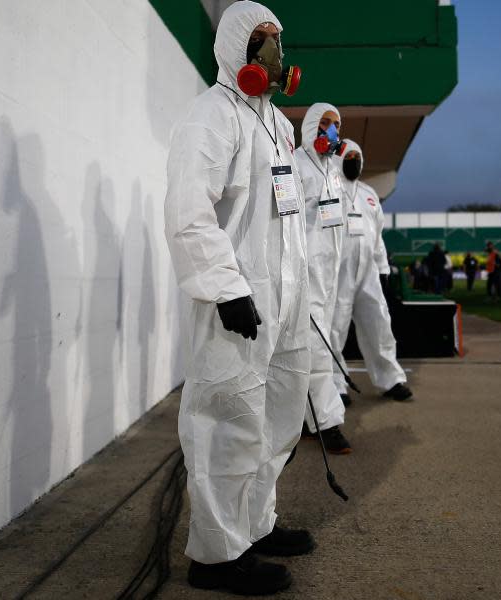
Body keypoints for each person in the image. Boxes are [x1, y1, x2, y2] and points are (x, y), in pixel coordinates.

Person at [164, 2, 312, 594]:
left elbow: (287, 217)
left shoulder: (278, 124)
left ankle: (254, 523)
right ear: (235, 48)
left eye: (277, 40)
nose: (274, 53)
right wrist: (226, 289)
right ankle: (216, 555)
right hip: (238, 300)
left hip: (286, 302)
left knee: (276, 415)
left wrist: (302, 293)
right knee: (227, 418)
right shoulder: (211, 116)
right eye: (262, 40)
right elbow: (188, 212)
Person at [330, 139, 414, 404]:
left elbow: (377, 236)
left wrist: (382, 268)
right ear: (337, 158)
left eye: (357, 156)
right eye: (348, 156)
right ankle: (334, 386)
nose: (354, 160)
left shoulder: (369, 194)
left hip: (367, 272)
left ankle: (391, 379)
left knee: (379, 323)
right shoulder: (327, 188)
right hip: (336, 271)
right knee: (334, 328)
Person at [296, 102, 352, 454]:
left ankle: (305, 418)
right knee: (316, 350)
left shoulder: (332, 171)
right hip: (306, 274)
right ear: (312, 125)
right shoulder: (297, 166)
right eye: (326, 123)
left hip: (329, 276)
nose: (332, 130)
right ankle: (328, 422)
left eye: (337, 124)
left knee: (318, 346)